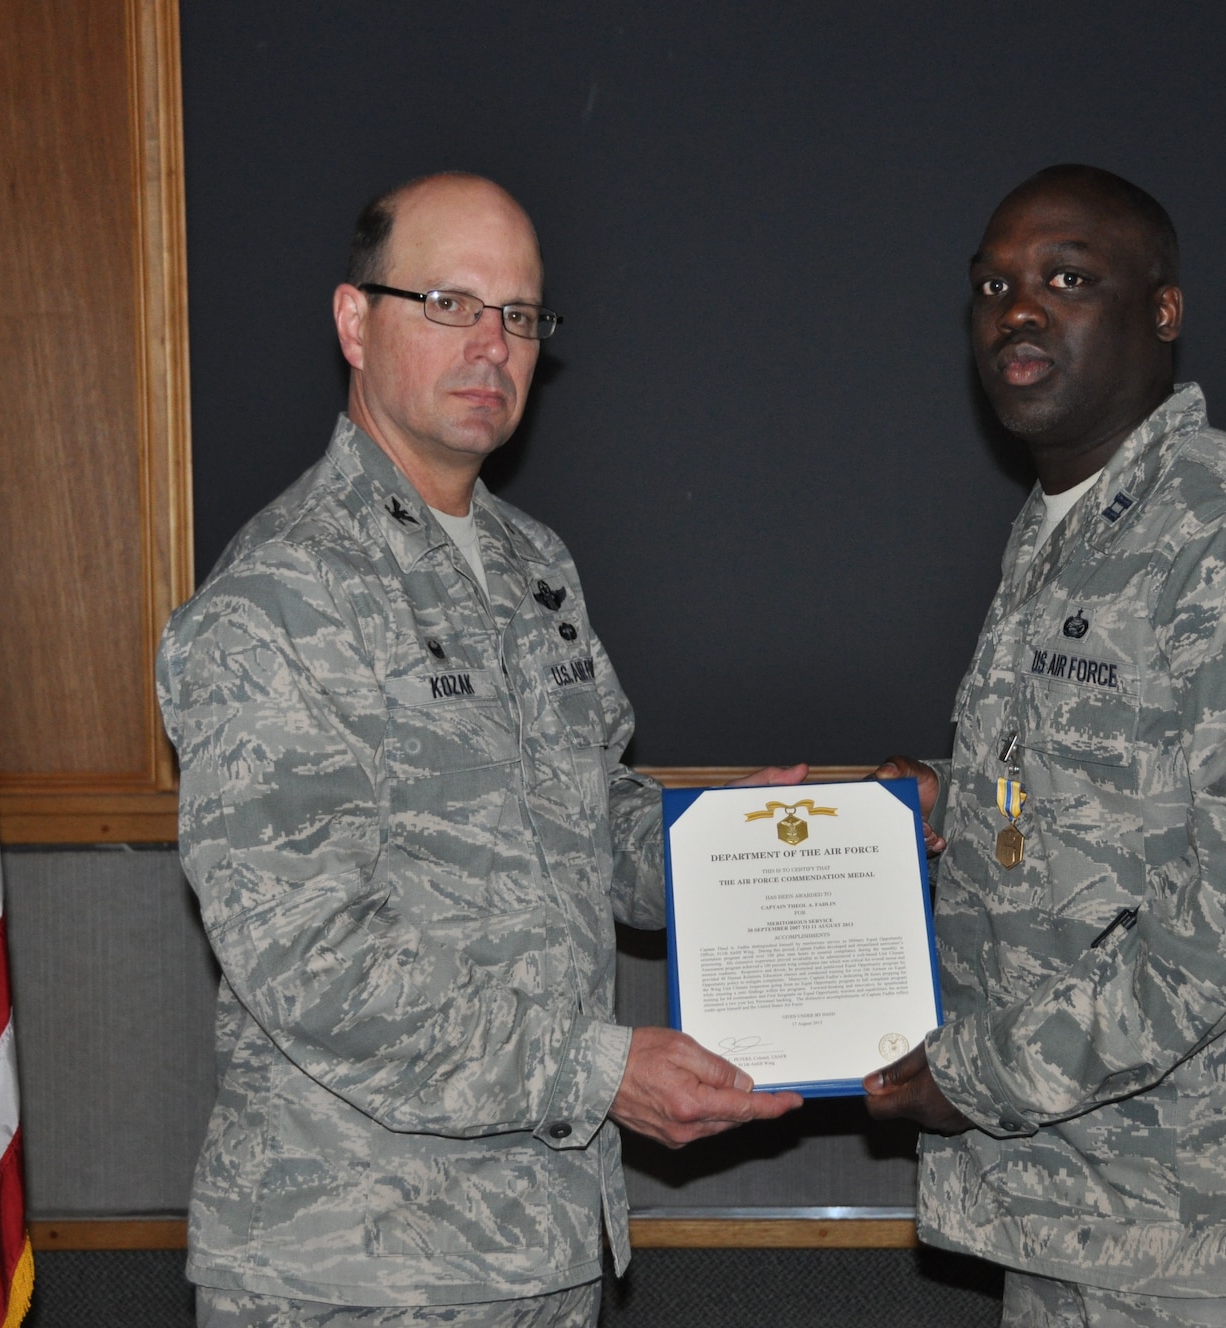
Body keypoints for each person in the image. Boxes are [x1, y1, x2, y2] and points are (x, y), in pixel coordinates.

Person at [155, 173, 803, 1328]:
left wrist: (748, 847)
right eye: (449, 302)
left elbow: (589, 822)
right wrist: (597, 1071)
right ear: (355, 321)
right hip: (353, 1266)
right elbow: (308, 957)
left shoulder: (530, 563)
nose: (491, 345)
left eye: (519, 314)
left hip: (539, 1239)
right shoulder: (278, 598)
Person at [864, 164, 1226, 1326]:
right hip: (1089, 1220)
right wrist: (948, 799)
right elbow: (1110, 792)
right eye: (992, 284)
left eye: (1067, 279)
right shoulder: (1065, 533)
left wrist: (982, 1073)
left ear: (1160, 312)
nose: (1016, 309)